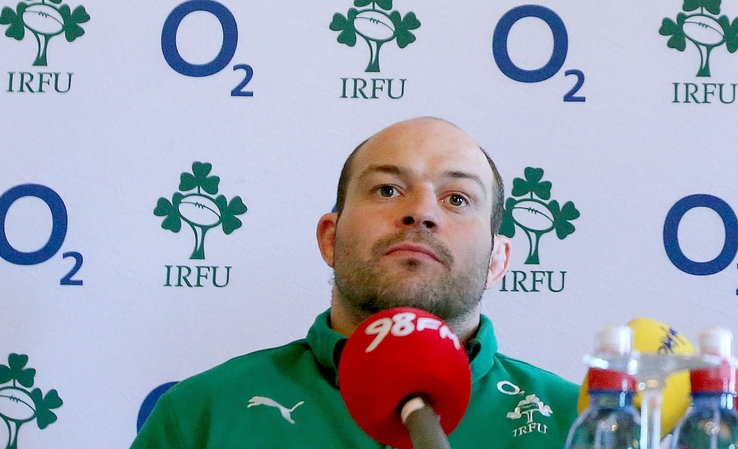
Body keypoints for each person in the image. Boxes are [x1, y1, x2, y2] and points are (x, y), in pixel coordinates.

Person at [131, 117, 580, 448]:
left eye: (457, 198)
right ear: (331, 237)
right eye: (387, 189)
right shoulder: (199, 415)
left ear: (497, 259)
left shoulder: (579, 426)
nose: (421, 212)